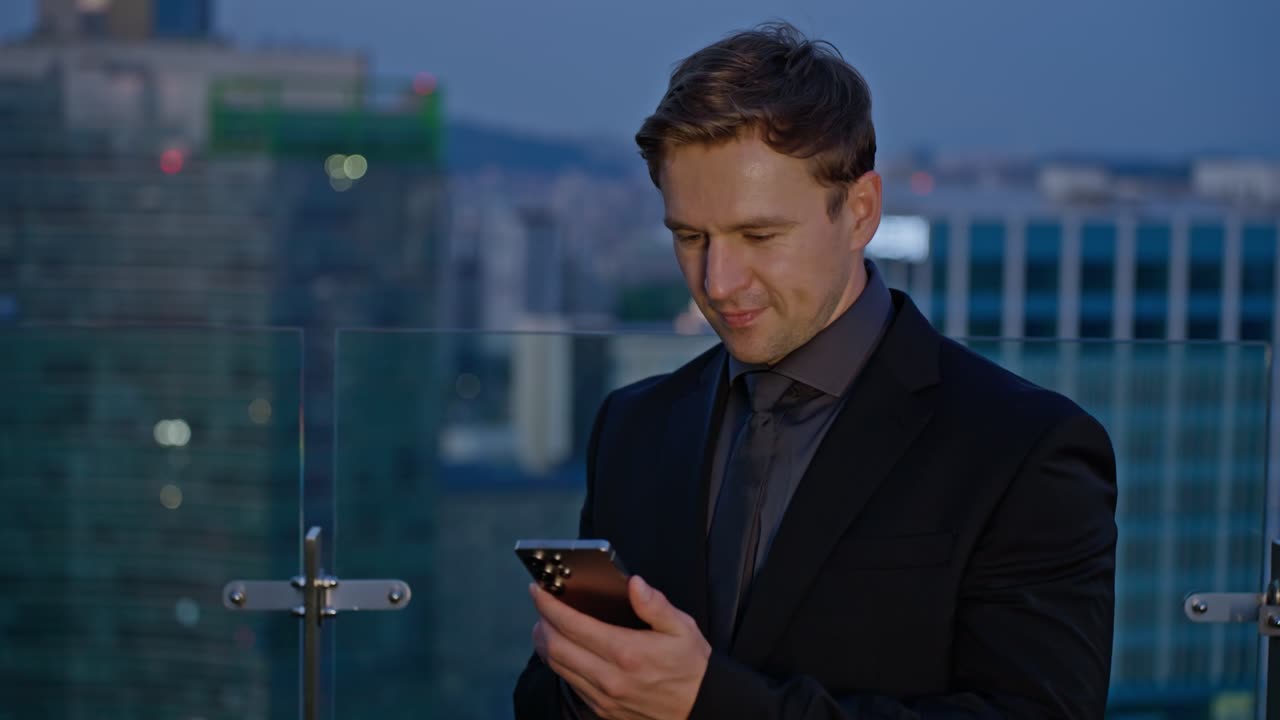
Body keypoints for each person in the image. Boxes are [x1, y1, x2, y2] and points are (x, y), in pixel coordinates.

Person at [514, 21, 1117, 720]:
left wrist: (708, 702)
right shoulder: (634, 424)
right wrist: (579, 678)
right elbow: (541, 702)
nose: (718, 280)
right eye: (690, 237)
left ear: (860, 211)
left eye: (759, 236)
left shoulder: (1026, 448)